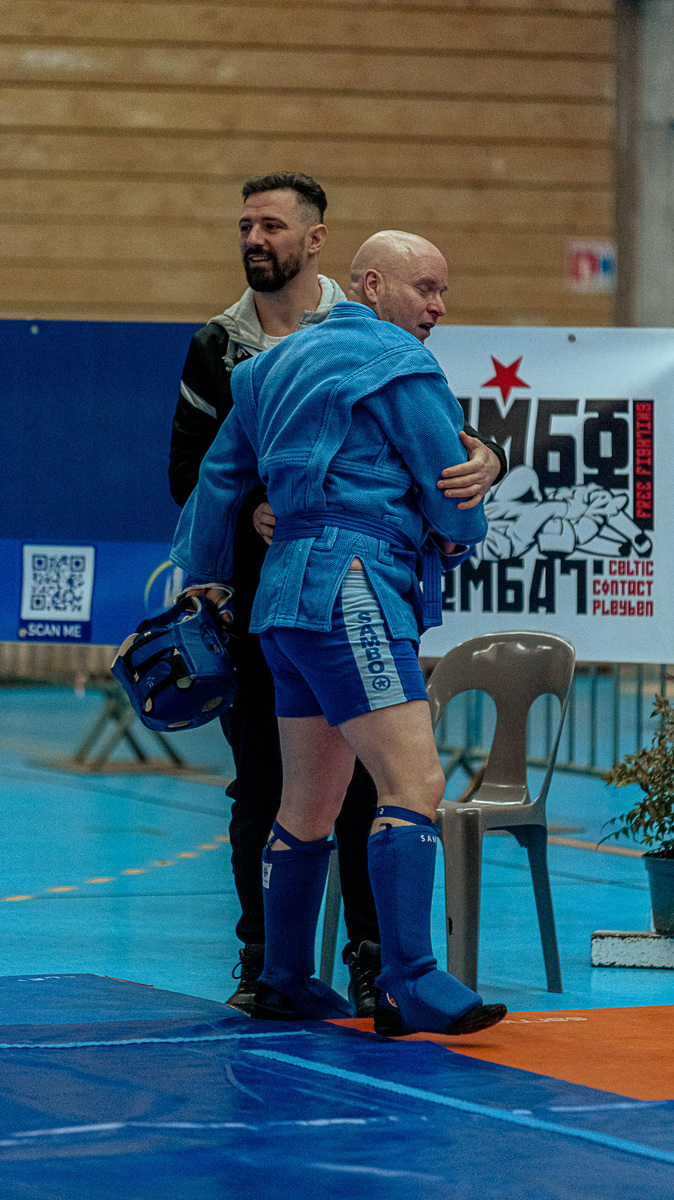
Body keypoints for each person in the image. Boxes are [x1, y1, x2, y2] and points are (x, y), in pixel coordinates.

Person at [169, 173, 506, 1017]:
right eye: (425, 288)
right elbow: (449, 485)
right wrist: (462, 529)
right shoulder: (399, 362)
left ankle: (284, 978)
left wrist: (205, 580)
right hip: (354, 589)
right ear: (373, 285)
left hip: (280, 604)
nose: (438, 307)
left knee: (306, 802)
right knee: (415, 781)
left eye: (443, 291)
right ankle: (409, 976)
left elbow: (214, 485)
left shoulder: (266, 369)